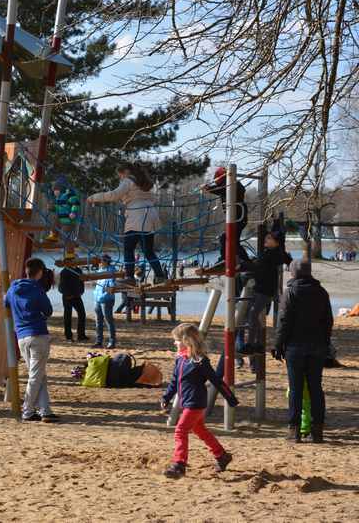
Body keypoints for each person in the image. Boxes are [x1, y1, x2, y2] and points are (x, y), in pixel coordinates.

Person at [161, 323, 238, 478]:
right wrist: (166, 397)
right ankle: (222, 455)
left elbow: (216, 380)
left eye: (176, 340)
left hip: (196, 403)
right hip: (187, 402)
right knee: (200, 429)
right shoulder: (180, 360)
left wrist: (230, 398)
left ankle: (179, 464)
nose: (175, 343)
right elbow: (175, 382)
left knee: (180, 430)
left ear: (186, 340)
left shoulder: (200, 361)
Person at [272, 260, 332, 443]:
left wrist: (277, 345)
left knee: (296, 389)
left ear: (293, 273)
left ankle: (294, 430)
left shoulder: (291, 292)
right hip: (317, 347)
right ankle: (317, 430)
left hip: (295, 347)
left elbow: (283, 321)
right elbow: (328, 321)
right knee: (315, 388)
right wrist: (325, 343)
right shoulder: (321, 292)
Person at [86, 163, 165, 286]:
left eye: (121, 175)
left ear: (126, 171)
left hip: (136, 217)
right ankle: (160, 276)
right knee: (148, 251)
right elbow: (152, 199)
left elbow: (113, 195)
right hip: (150, 216)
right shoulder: (145, 182)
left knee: (128, 248)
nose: (120, 178)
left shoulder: (129, 181)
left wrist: (93, 198)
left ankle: (129, 277)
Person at [5, 257, 58, 423]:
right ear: (40, 272)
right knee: (36, 376)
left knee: (38, 375)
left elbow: (5, 303)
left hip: (21, 336)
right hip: (38, 335)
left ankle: (45, 411)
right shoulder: (38, 289)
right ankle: (27, 411)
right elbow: (48, 311)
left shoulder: (13, 289)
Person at [238, 231, 292, 354]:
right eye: (266, 237)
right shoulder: (275, 253)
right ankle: (256, 343)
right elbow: (288, 260)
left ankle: (252, 343)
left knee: (252, 313)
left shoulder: (272, 254)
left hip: (265, 290)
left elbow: (257, 266)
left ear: (276, 241)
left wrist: (241, 265)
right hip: (262, 288)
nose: (266, 240)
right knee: (252, 314)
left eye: (269, 238)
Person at [202, 167, 249, 264]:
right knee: (231, 240)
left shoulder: (231, 183)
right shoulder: (228, 184)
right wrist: (209, 188)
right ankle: (239, 259)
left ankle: (232, 259)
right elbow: (221, 189)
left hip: (238, 217)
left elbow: (222, 189)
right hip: (236, 218)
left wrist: (208, 188)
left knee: (227, 238)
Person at [48, 177, 81, 259]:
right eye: (54, 190)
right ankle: (53, 235)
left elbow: (75, 203)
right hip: (61, 218)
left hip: (69, 220)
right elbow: (58, 208)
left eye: (56, 190)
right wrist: (52, 208)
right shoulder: (58, 198)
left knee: (65, 235)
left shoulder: (69, 194)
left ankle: (70, 253)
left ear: (61, 189)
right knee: (54, 223)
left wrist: (73, 212)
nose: (54, 192)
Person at [93, 254, 117, 348]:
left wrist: (110, 288)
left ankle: (112, 341)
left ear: (105, 261)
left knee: (108, 320)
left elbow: (112, 284)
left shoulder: (111, 270)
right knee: (98, 321)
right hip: (97, 299)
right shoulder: (100, 270)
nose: (99, 262)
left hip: (106, 299)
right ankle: (99, 341)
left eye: (100, 261)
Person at [58, 265, 87, 342]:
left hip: (77, 296)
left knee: (82, 314)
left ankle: (81, 335)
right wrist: (68, 294)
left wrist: (81, 291)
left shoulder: (78, 270)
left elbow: (81, 282)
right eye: (71, 260)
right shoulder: (64, 271)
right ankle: (68, 337)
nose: (73, 261)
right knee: (68, 316)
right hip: (67, 297)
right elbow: (61, 287)